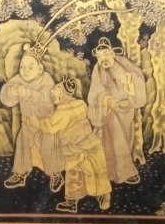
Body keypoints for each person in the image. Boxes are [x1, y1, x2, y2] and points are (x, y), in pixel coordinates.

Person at [27, 77, 111, 213]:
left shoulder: (62, 111)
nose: (52, 92)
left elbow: (49, 127)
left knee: (74, 172)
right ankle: (103, 197)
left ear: (61, 93)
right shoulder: (80, 104)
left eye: (55, 89)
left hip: (74, 149)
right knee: (98, 172)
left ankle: (71, 202)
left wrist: (36, 122)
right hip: (93, 144)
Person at [0, 43, 64, 192]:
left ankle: (56, 174)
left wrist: (27, 93)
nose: (25, 71)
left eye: (30, 67)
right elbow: (5, 98)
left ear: (40, 69)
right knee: (22, 143)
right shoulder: (18, 79)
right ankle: (20, 174)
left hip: (45, 122)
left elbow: (48, 98)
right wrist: (12, 92)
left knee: (49, 145)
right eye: (22, 67)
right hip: (28, 122)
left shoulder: (46, 79)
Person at [87, 37, 146, 185]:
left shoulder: (124, 63)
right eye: (99, 57)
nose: (103, 59)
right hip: (109, 110)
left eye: (106, 54)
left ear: (113, 53)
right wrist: (107, 99)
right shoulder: (97, 69)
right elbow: (96, 90)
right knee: (115, 139)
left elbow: (137, 77)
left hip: (127, 108)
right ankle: (126, 172)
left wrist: (129, 80)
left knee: (127, 138)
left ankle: (115, 172)